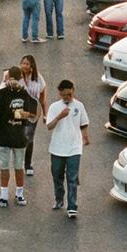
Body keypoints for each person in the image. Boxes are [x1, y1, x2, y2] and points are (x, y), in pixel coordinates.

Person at [0, 67, 37, 208]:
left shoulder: (1, 93)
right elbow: (31, 113)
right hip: (18, 136)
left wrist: (9, 113)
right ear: (20, 77)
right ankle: (19, 195)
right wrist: (18, 114)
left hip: (4, 136)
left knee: (5, 167)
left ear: (8, 77)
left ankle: (4, 197)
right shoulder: (23, 93)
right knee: (18, 167)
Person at [43, 80, 90, 219]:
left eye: (69, 94)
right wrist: (60, 116)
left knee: (72, 178)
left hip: (74, 148)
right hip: (57, 148)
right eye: (64, 95)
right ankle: (59, 199)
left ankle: (72, 207)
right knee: (57, 176)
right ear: (59, 93)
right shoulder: (54, 107)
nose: (67, 97)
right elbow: (49, 126)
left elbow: (83, 124)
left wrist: (86, 137)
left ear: (73, 90)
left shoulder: (79, 106)